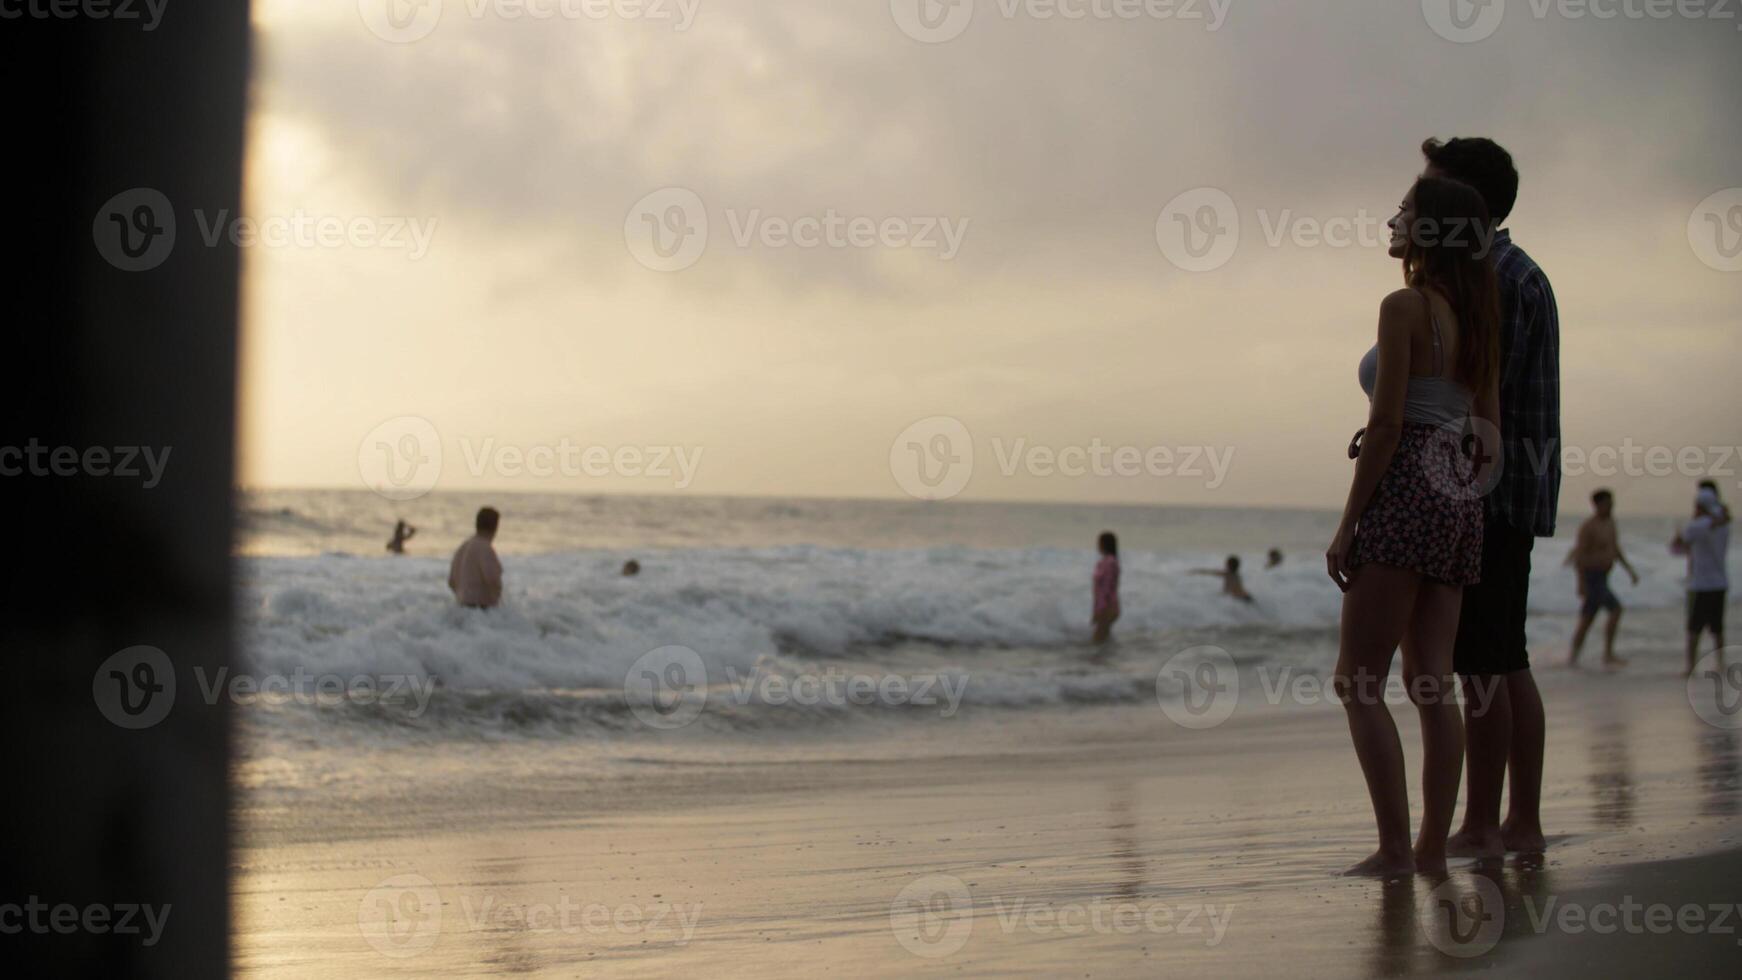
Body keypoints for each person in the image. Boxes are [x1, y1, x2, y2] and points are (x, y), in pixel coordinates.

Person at [1325, 173, 1502, 876]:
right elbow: (1488, 431)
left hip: (1405, 486)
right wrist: (1459, 492)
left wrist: (1348, 525)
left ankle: (1395, 849)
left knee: (1358, 680)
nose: (1392, 219)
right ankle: (1430, 847)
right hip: (1459, 488)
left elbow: (1388, 422)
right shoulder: (1480, 318)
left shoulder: (1404, 307)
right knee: (1433, 680)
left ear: (1429, 231)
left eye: (1404, 210)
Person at [1426, 139, 1560, 861]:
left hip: (1491, 490)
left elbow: (1475, 399)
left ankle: (1486, 822)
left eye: (1432, 188)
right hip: (1515, 488)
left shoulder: (1495, 278)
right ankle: (1518, 822)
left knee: (1484, 659)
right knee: (1505, 657)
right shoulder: (1517, 269)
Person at [1566, 490, 1638, 668]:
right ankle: (1600, 654)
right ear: (1597, 505)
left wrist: (1629, 570)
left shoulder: (1611, 523)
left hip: (1604, 577)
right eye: (1608, 503)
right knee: (1612, 611)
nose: (1611, 506)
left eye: (1612, 503)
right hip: (1592, 578)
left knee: (1588, 618)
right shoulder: (1588, 527)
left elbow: (1615, 549)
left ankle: (1576, 657)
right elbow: (1579, 556)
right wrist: (1581, 583)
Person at [1674, 483, 1731, 676]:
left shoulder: (1697, 526)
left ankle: (1690, 667)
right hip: (1720, 582)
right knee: (1717, 628)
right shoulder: (1724, 525)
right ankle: (1720, 663)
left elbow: (1677, 547)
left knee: (1694, 628)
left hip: (1700, 584)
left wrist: (1680, 533)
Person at [448, 507, 503, 610]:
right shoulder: (484, 547)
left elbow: (451, 582)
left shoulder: (463, 547)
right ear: (496, 526)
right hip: (481, 609)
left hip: (462, 609)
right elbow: (493, 580)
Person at [1091, 532, 1120, 645]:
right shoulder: (1107, 562)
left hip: (1106, 606)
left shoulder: (1109, 562)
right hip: (1106, 605)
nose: (1098, 545)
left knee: (1097, 642)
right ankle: (1108, 660)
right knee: (1103, 641)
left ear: (1104, 544)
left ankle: (1104, 662)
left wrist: (1101, 609)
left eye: (1099, 542)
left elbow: (1106, 589)